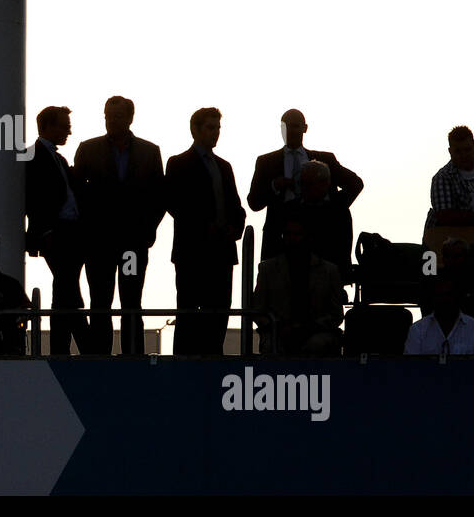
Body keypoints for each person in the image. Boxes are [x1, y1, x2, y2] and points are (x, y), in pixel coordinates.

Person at [72, 96, 165, 355]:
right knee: (100, 301)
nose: (111, 121)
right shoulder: (88, 149)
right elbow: (77, 194)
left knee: (131, 300)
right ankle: (100, 356)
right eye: (108, 116)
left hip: (132, 244)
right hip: (99, 244)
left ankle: (132, 355)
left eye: (117, 116)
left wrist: (147, 232)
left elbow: (159, 196)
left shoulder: (149, 151)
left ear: (130, 118)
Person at [166, 107, 246, 355]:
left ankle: (213, 360)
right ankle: (184, 363)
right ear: (196, 130)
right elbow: (175, 203)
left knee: (220, 311)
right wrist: (204, 226)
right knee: (189, 311)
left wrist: (235, 227)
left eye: (218, 128)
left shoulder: (224, 166)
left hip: (221, 250)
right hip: (193, 251)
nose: (215, 133)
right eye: (210, 128)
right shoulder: (178, 163)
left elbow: (236, 206)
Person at [247, 109, 362, 262]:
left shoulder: (325, 159)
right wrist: (274, 186)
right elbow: (254, 202)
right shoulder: (266, 162)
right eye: (286, 127)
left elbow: (355, 183)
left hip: (321, 241)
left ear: (305, 128)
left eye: (295, 126)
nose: (291, 131)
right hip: (279, 241)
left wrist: (329, 204)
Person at [24, 105, 86, 354]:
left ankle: (64, 348)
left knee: (65, 290)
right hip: (56, 233)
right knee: (67, 288)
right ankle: (85, 345)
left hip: (69, 233)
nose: (69, 131)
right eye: (64, 125)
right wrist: (46, 231)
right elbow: (32, 197)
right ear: (48, 126)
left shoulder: (56, 158)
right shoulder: (33, 156)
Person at [252, 212, 344, 355]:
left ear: (307, 236)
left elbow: (336, 314)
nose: (292, 239)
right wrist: (278, 327)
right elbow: (258, 310)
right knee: (272, 346)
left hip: (317, 333)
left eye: (297, 234)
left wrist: (310, 328)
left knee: (318, 345)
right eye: (288, 234)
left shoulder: (329, 271)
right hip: (278, 333)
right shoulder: (267, 269)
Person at [405, 274, 474, 355]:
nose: (444, 300)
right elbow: (410, 368)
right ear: (433, 298)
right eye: (440, 295)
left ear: (458, 296)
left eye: (448, 294)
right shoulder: (418, 330)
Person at [295, 160, 355, 277]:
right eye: (302, 183)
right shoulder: (294, 208)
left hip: (332, 272)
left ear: (325, 183)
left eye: (309, 184)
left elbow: (342, 246)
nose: (304, 188)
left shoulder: (338, 209)